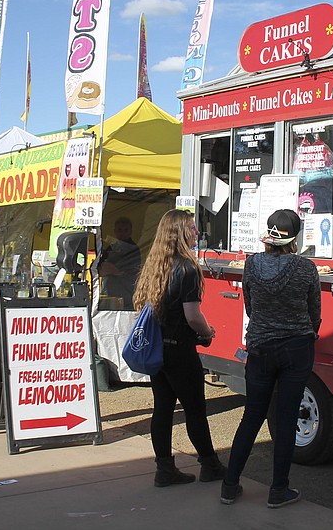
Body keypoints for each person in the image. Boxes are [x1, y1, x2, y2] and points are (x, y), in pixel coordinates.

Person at [220, 209, 322, 508]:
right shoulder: (306, 268)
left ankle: (229, 485)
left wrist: (266, 323)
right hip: (296, 347)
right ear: (295, 238)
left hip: (260, 347)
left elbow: (250, 306)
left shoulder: (251, 264)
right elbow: (314, 312)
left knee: (252, 414)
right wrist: (303, 331)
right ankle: (279, 490)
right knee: (287, 417)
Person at [132, 209, 226, 488]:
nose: (197, 232)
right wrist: (208, 333)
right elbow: (192, 315)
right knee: (195, 410)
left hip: (158, 349)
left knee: (162, 409)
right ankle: (210, 465)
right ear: (179, 233)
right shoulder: (187, 268)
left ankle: (164, 469)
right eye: (192, 228)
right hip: (180, 349)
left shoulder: (156, 264)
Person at [98, 217, 142, 309]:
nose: (122, 233)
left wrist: (114, 270)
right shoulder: (111, 248)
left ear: (130, 232)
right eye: (120, 230)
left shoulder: (133, 249)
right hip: (110, 290)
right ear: (115, 231)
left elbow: (127, 270)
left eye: (125, 230)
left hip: (126, 291)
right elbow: (101, 268)